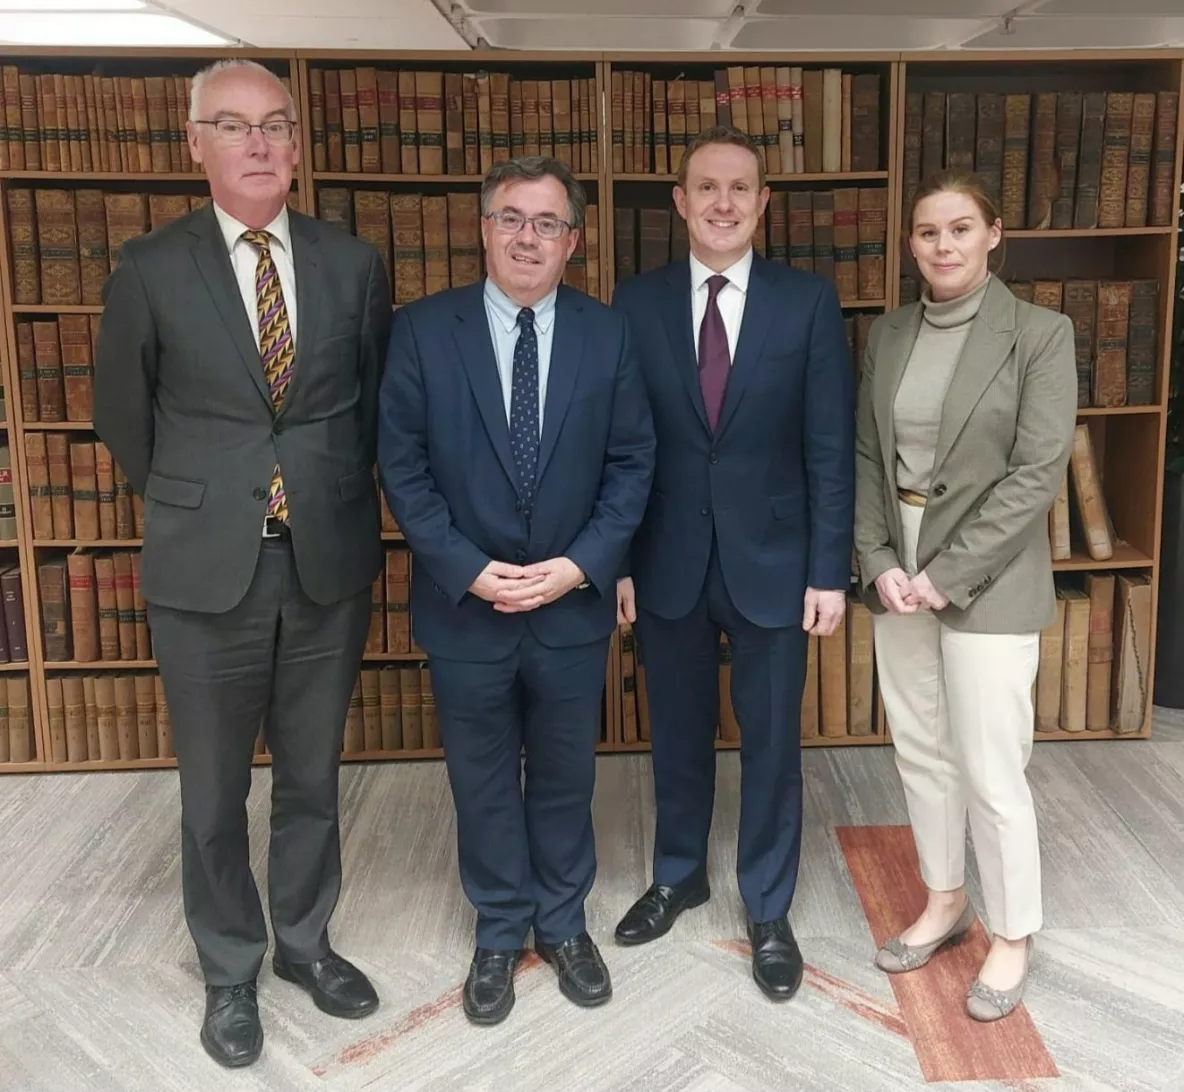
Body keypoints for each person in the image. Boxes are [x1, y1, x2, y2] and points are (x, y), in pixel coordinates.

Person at [94, 59, 391, 1067]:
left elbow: (370, 406)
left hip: (325, 561)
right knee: (213, 789)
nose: (258, 143)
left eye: (274, 125)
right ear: (195, 144)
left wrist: (312, 497)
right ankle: (230, 968)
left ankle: (304, 942)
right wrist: (201, 501)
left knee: (312, 775)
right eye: (233, 125)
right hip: (204, 567)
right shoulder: (149, 267)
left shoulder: (352, 264)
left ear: (298, 144)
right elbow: (123, 419)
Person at [378, 155, 655, 1026]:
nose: (527, 237)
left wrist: (582, 565)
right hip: (467, 606)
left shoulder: (608, 335)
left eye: (546, 223)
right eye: (511, 218)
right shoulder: (422, 331)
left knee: (568, 777)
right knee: (484, 779)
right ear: (484, 227)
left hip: (571, 604)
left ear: (573, 240)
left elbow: (632, 461)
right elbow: (404, 466)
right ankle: (499, 930)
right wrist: (466, 567)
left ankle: (563, 923)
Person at [611, 125, 854, 1001]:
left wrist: (829, 571)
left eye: (739, 188)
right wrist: (621, 562)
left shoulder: (807, 303)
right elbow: (622, 446)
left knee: (771, 743)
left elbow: (828, 449)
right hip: (667, 558)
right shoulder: (632, 305)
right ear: (679, 201)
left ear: (762, 203)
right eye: (705, 187)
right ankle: (679, 874)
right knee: (675, 733)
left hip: (776, 563)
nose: (721, 203)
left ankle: (768, 905)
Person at [853, 169, 1077, 1021]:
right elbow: (872, 457)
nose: (941, 245)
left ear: (993, 234)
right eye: (925, 232)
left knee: (990, 762)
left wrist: (947, 574)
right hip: (897, 567)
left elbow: (1035, 474)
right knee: (921, 749)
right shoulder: (890, 334)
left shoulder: (1040, 334)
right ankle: (946, 901)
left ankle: (1012, 933)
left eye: (958, 229)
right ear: (909, 243)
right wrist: (878, 557)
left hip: (986, 572)